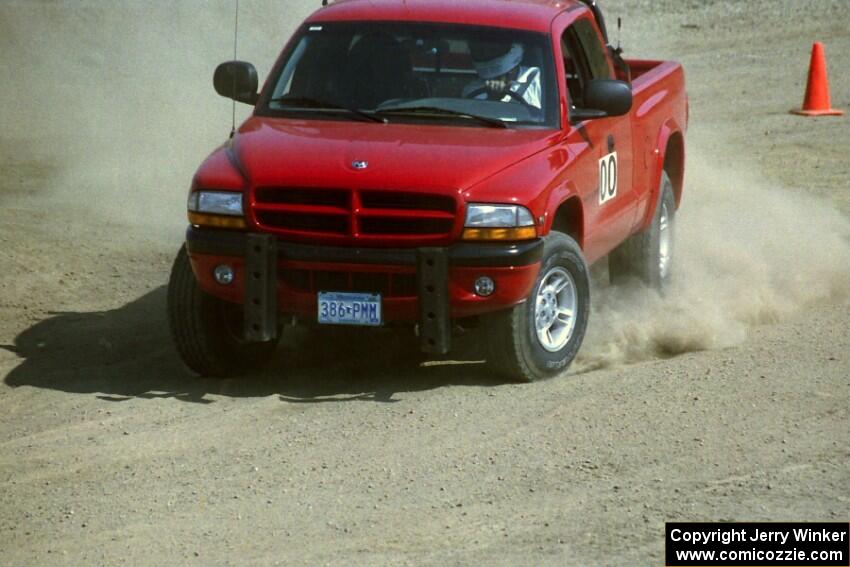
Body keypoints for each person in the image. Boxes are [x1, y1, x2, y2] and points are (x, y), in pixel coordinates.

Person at [463, 41, 541, 109]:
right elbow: (476, 120)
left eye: (493, 50)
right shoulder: (472, 89)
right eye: (481, 51)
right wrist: (492, 99)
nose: (486, 53)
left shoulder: (537, 79)